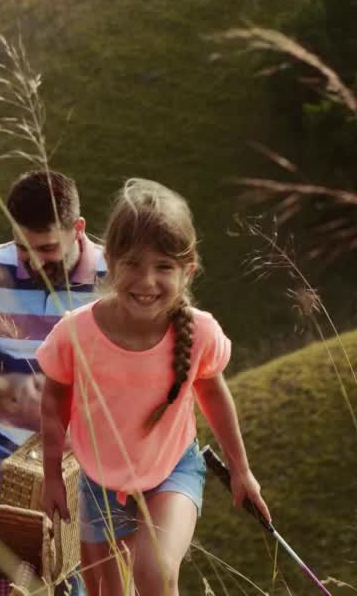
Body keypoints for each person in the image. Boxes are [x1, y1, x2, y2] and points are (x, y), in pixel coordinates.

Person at [38, 178, 270, 596]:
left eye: (164, 267)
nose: (147, 281)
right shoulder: (75, 334)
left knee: (155, 571)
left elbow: (213, 393)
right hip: (98, 481)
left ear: (188, 271)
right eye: (133, 264)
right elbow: (54, 398)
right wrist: (52, 475)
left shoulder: (199, 332)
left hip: (172, 472)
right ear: (108, 259)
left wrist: (241, 469)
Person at [0, 169, 106, 503]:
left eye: (48, 249)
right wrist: (13, 387)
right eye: (24, 248)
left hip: (94, 451)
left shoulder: (116, 277)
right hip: (5, 444)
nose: (35, 263)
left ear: (78, 228)